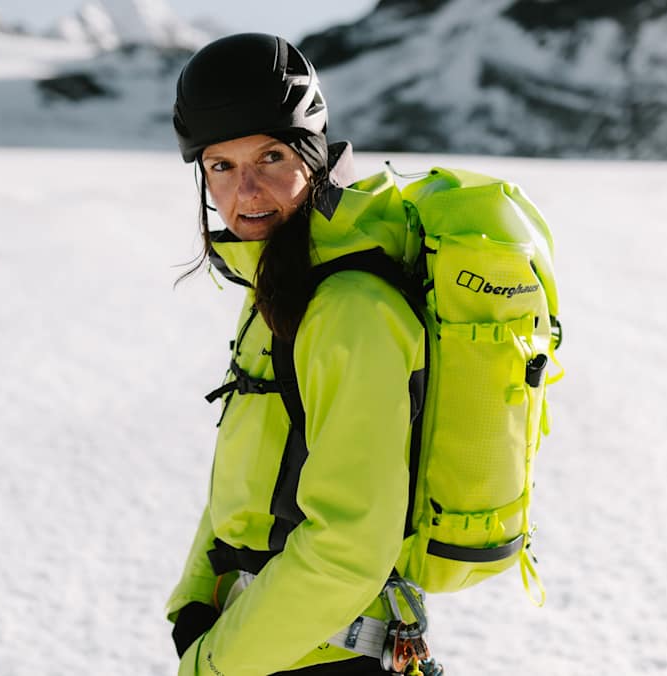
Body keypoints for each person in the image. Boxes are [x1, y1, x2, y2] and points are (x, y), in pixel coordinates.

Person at [165, 33, 428, 676]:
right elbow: (248, 480)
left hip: (327, 655)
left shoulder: (351, 311)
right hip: (265, 643)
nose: (245, 192)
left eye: (271, 156)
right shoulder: (282, 294)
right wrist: (196, 597)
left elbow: (348, 547)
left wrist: (212, 666)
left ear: (313, 156)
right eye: (220, 166)